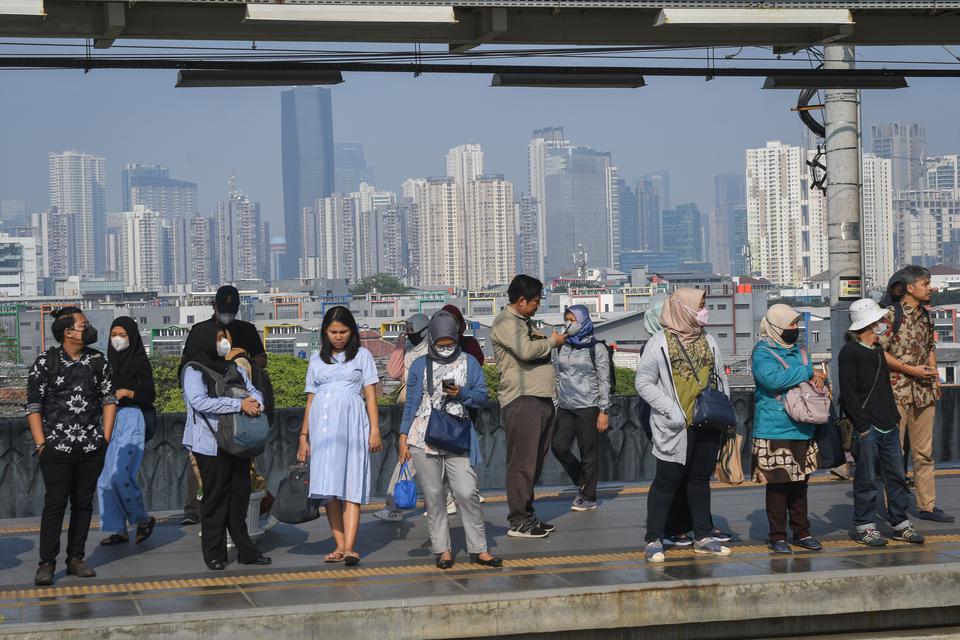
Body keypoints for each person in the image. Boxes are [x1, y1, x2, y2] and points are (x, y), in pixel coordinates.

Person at [398, 311, 502, 569]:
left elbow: (481, 397)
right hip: (423, 436)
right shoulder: (420, 364)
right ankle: (442, 550)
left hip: (457, 434)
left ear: (457, 338)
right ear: (431, 339)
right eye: (440, 344)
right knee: (434, 496)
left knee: (467, 492)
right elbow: (411, 402)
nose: (446, 349)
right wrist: (403, 435)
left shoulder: (470, 363)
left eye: (450, 343)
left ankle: (479, 549)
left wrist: (461, 393)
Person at [635, 288, 731, 562]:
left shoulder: (708, 340)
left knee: (700, 481)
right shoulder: (659, 342)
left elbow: (720, 379)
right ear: (684, 308)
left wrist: (725, 415)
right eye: (700, 305)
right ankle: (654, 538)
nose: (704, 310)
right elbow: (643, 382)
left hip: (707, 421)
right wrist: (669, 409)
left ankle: (702, 535)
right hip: (674, 425)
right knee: (666, 482)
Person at [26, 307, 117, 586]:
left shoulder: (98, 361)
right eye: (83, 325)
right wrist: (42, 444)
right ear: (67, 332)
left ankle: (76, 558)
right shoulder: (46, 362)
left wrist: (106, 438)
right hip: (56, 448)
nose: (88, 328)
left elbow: (109, 399)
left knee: (83, 504)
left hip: (91, 447)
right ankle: (47, 563)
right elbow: (33, 407)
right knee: (54, 505)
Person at [180, 322, 270, 570]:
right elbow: (200, 402)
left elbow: (253, 390)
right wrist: (238, 406)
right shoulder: (193, 371)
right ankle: (214, 552)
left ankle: (246, 550)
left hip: (237, 441)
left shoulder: (232, 367)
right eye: (219, 338)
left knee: (240, 495)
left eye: (224, 337)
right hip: (209, 443)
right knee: (215, 498)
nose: (224, 342)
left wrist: (255, 402)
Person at [297, 306, 382, 566]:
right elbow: (310, 399)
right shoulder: (315, 360)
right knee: (328, 486)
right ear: (325, 332)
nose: (338, 336)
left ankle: (350, 547)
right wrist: (303, 436)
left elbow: (370, 395)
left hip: (353, 425)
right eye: (333, 331)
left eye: (343, 331)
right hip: (322, 429)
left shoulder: (363, 357)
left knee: (352, 483)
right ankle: (340, 545)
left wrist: (375, 430)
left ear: (352, 332)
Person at [840, 299, 925, 547]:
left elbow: (884, 387)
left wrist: (894, 417)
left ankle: (900, 524)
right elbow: (849, 393)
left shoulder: (877, 350)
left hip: (888, 423)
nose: (883, 324)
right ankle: (865, 526)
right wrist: (863, 425)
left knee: (897, 476)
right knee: (866, 479)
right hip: (868, 427)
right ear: (868, 324)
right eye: (879, 321)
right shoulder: (850, 352)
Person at [182, 285, 268, 526]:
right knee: (200, 463)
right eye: (223, 309)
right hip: (211, 409)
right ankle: (193, 508)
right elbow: (188, 366)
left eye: (232, 309)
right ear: (214, 307)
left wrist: (243, 359)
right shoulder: (201, 331)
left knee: (244, 462)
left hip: (243, 408)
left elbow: (262, 360)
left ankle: (247, 509)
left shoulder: (246, 330)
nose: (228, 314)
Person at [491, 274, 566, 538]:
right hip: (522, 399)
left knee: (534, 461)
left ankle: (527, 513)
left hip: (540, 397)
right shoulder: (505, 322)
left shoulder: (524, 322)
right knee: (522, 462)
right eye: (535, 301)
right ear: (521, 300)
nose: (537, 305)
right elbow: (525, 351)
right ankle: (519, 520)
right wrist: (553, 342)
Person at [878, 266, 954, 523]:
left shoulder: (926, 316)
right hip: (896, 392)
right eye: (925, 283)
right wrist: (910, 369)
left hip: (923, 392)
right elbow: (880, 352)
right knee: (894, 453)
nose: (930, 287)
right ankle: (895, 509)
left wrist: (934, 377)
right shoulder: (890, 315)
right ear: (910, 288)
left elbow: (930, 347)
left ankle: (928, 506)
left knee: (924, 453)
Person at [751, 304, 828, 554]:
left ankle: (802, 532)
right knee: (777, 484)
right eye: (790, 324)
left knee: (800, 485)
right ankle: (778, 535)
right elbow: (771, 379)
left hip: (803, 427)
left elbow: (801, 380)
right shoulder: (762, 352)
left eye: (796, 324)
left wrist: (818, 378)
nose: (795, 329)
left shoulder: (800, 352)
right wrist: (808, 372)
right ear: (775, 326)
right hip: (773, 429)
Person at [97, 317, 157, 546]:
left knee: (120, 474)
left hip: (132, 417)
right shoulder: (107, 362)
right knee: (104, 479)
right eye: (114, 334)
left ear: (131, 337)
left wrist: (127, 393)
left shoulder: (139, 362)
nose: (117, 339)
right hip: (109, 418)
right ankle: (117, 529)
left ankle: (142, 519)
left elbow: (150, 395)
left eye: (123, 335)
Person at [374, 313, 436, 523]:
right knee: (424, 461)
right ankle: (439, 502)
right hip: (413, 411)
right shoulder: (409, 350)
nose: (410, 336)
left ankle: (394, 506)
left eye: (412, 333)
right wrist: (400, 345)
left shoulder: (431, 351)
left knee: (409, 460)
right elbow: (392, 372)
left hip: (425, 414)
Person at [552, 305, 610, 512]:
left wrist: (604, 411)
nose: (569, 323)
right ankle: (582, 479)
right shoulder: (560, 346)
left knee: (589, 451)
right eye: (566, 319)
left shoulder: (597, 348)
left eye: (573, 319)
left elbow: (604, 380)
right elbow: (556, 376)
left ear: (583, 321)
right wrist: (555, 402)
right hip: (566, 406)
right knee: (558, 446)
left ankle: (589, 495)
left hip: (589, 405)